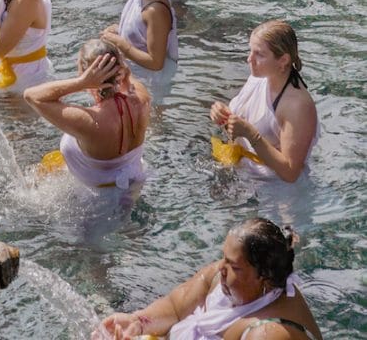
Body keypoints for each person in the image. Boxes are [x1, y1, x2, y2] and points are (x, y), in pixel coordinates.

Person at [99, 217, 322, 339]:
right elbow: (175, 307)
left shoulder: (268, 334)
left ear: (263, 277)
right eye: (224, 258)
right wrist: (138, 322)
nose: (221, 268)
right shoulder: (222, 277)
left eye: (233, 266)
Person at [24, 38, 150, 189]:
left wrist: (80, 83)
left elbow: (31, 95)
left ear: (85, 74)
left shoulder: (90, 121)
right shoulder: (142, 99)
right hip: (135, 184)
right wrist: (126, 75)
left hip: (96, 199)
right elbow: (127, 78)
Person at [210, 21, 319, 183]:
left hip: (276, 190)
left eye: (259, 54)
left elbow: (291, 173)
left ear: (283, 60)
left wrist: (251, 134)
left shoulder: (297, 106)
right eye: (250, 51)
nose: (249, 59)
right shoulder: (259, 78)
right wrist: (222, 115)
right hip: (243, 174)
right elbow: (238, 124)